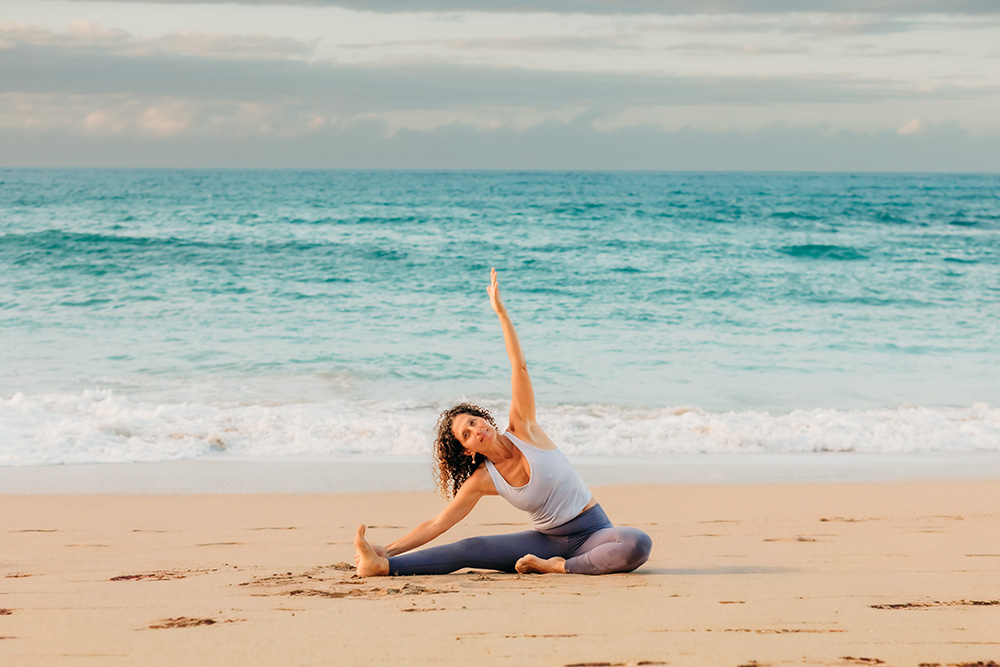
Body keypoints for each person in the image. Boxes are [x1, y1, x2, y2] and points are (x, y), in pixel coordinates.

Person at [353, 268, 652, 576]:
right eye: (466, 434)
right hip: (546, 540)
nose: (475, 429)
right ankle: (383, 566)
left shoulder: (524, 428)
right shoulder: (484, 479)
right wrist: (387, 549)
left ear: (485, 418)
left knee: (636, 543)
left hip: (594, 533)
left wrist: (501, 313)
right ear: (467, 450)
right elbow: (438, 524)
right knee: (469, 548)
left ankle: (559, 568)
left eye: (474, 421)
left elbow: (518, 366)